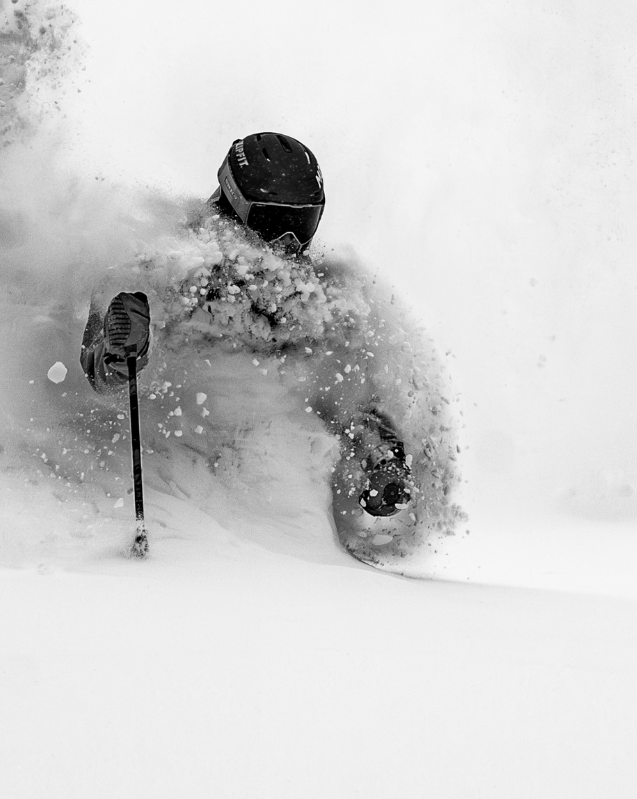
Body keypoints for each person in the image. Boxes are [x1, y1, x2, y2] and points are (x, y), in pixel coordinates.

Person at [80, 132, 425, 536]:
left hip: (282, 507)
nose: (287, 242)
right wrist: (121, 356)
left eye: (301, 224)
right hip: (172, 490)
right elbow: (99, 380)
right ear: (234, 204)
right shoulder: (163, 268)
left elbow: (351, 400)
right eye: (275, 223)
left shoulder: (327, 297)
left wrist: (382, 460)